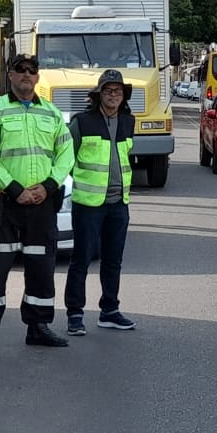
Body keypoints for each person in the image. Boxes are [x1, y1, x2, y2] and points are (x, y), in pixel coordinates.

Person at [0, 54, 73, 356]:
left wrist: (49, 186)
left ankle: (38, 327)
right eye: (20, 70)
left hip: (41, 204)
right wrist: (14, 189)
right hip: (4, 203)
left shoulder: (51, 113)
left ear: (38, 77)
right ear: (10, 75)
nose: (26, 75)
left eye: (32, 71)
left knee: (41, 268)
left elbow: (66, 153)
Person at [63, 69, 138, 335]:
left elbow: (126, 157)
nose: (114, 95)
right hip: (88, 204)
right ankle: (75, 313)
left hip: (119, 203)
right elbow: (66, 159)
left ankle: (109, 310)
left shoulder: (129, 122)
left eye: (118, 91)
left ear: (123, 95)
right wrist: (85, 182)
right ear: (99, 94)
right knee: (81, 260)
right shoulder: (82, 122)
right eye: (108, 90)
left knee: (113, 261)